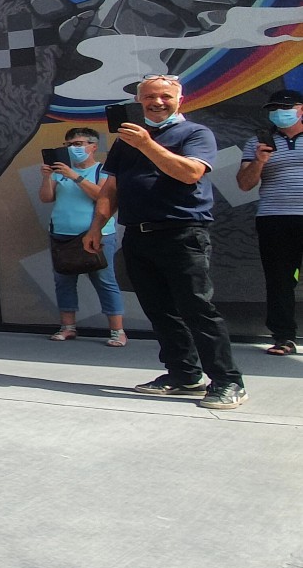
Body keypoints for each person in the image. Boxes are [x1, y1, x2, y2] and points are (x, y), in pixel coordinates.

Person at [86, 75, 246, 409]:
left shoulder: (195, 133)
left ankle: (228, 380)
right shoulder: (126, 141)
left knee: (197, 309)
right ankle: (183, 374)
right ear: (139, 101)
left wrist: (146, 144)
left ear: (180, 99)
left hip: (182, 233)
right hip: (138, 235)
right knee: (160, 312)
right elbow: (111, 189)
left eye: (164, 97)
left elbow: (190, 173)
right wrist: (96, 227)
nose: (157, 103)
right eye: (149, 97)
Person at [37, 127, 125, 345]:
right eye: (68, 145)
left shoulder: (103, 170)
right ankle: (68, 327)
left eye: (78, 144)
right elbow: (46, 198)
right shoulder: (60, 171)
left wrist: (75, 176)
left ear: (93, 146)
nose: (72, 148)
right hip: (61, 234)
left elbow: (103, 196)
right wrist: (48, 177)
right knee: (63, 281)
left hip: (97, 235)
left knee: (105, 280)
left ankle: (117, 331)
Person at [237, 88, 302, 356]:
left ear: (301, 109)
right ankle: (284, 337)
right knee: (279, 280)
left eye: (286, 107)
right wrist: (260, 161)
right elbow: (244, 184)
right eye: (274, 108)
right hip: (274, 217)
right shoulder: (257, 142)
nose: (280, 113)